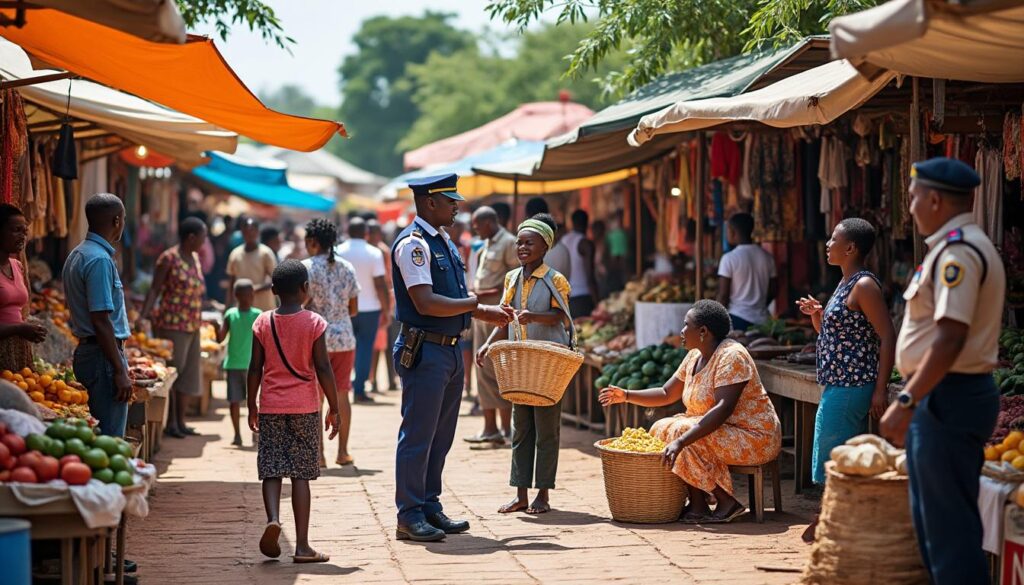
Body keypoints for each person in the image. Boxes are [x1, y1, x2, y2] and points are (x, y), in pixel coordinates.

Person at [880, 157, 1005, 585]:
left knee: (950, 534)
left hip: (949, 397)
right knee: (936, 528)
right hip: (943, 395)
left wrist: (906, 399)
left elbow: (950, 338)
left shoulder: (960, 253)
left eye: (914, 197)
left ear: (934, 199)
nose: (910, 206)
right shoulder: (952, 247)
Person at [391, 173, 511, 542]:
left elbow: (451, 296)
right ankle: (409, 515)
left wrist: (479, 309)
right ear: (429, 202)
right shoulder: (414, 245)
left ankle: (429, 505)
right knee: (418, 436)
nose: (457, 207)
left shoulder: (441, 240)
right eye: (450, 201)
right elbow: (425, 301)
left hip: (448, 348)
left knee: (440, 436)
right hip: (426, 348)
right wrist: (478, 306)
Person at [599, 300, 782, 523]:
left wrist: (681, 440)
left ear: (703, 331)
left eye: (686, 325)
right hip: (722, 431)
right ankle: (698, 504)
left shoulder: (732, 356)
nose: (682, 331)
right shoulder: (695, 356)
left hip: (753, 437)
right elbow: (667, 393)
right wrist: (626, 395)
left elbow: (723, 409)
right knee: (662, 426)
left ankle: (726, 501)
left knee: (682, 433)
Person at [796, 218, 896, 542]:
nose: (827, 244)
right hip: (837, 383)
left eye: (833, 239)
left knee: (833, 454)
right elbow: (837, 334)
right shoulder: (845, 282)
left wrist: (880, 390)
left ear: (850, 248)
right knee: (830, 451)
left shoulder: (864, 285)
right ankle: (833, 518)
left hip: (854, 386)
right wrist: (817, 315)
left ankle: (830, 519)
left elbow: (887, 336)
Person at [477, 214, 572, 514]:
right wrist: (488, 342)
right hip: (521, 364)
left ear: (545, 247)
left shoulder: (555, 279)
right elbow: (505, 316)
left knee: (546, 430)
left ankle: (542, 494)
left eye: (529, 243)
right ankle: (520, 494)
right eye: (519, 242)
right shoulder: (511, 278)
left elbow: (562, 317)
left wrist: (534, 317)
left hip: (547, 364)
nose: (522, 247)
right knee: (520, 428)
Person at [248, 260, 340, 564]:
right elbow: (323, 367)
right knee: (301, 474)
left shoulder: (262, 322)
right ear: (305, 289)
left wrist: (252, 404)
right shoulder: (314, 322)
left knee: (272, 467)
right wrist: (335, 408)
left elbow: (254, 368)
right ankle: (302, 546)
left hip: (272, 405)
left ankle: (273, 518)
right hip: (305, 406)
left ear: (273, 290)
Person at [63, 193, 133, 437]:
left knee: (93, 437)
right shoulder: (99, 259)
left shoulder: (78, 254)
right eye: (123, 218)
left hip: (90, 353)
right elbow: (101, 321)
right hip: (103, 357)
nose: (123, 223)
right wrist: (119, 370)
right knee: (109, 439)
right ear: (116, 221)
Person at [138, 217, 208, 439]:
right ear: (191, 237)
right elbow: (155, 290)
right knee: (174, 373)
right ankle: (171, 423)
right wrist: (143, 316)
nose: (204, 242)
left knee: (188, 374)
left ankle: (181, 421)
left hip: (193, 324)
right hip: (172, 324)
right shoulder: (168, 259)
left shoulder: (195, 258)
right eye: (203, 237)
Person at [303, 218, 359, 467]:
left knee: (316, 397)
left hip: (316, 340)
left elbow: (300, 304)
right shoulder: (347, 267)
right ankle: (343, 452)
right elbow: (354, 308)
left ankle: (318, 455)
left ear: (312, 242)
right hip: (345, 338)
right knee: (342, 394)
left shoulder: (306, 268)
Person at [465, 206, 517, 446]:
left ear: (488, 223)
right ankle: (491, 428)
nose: (474, 229)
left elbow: (514, 280)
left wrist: (482, 293)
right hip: (482, 312)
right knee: (483, 365)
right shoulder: (485, 244)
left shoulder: (508, 242)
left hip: (497, 313)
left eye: (477, 225)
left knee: (499, 368)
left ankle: (504, 428)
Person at [338, 217, 391, 403]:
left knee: (345, 348)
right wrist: (386, 309)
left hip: (344, 308)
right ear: (366, 233)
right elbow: (380, 284)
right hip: (370, 309)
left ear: (347, 230)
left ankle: (343, 387)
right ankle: (359, 390)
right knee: (365, 349)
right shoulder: (374, 252)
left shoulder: (338, 251)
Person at [0, 204, 46, 372]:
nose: (22, 237)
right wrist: (19, 328)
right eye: (16, 230)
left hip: (17, 351)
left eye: (25, 232)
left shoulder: (17, 266)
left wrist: (29, 326)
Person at [218, 279, 261, 447]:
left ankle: (255, 433)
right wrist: (216, 327)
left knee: (254, 402)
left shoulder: (258, 315)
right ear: (237, 296)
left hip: (254, 366)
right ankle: (237, 434)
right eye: (244, 295)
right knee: (234, 401)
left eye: (250, 294)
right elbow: (220, 338)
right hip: (235, 365)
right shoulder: (230, 315)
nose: (248, 298)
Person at [717, 213, 777, 331]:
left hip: (737, 318)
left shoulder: (729, 258)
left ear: (732, 231)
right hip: (763, 320)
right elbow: (774, 290)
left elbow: (723, 295)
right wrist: (758, 306)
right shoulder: (767, 257)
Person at [368, 220, 400, 393]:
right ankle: (375, 380)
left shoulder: (382, 251)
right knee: (378, 346)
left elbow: (387, 279)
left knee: (386, 345)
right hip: (382, 303)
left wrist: (387, 306)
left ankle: (388, 380)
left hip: (385, 303)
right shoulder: (378, 250)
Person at [227, 217, 278, 311]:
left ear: (258, 232)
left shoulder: (266, 253)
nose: (249, 233)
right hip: (243, 309)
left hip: (264, 307)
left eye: (252, 230)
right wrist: (228, 305)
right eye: (246, 231)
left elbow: (275, 280)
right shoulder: (235, 254)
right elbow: (231, 282)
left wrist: (253, 289)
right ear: (242, 232)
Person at [562, 210, 599, 318]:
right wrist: (597, 303)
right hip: (583, 297)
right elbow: (590, 276)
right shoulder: (585, 244)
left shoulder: (562, 241)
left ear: (572, 222)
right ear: (587, 223)